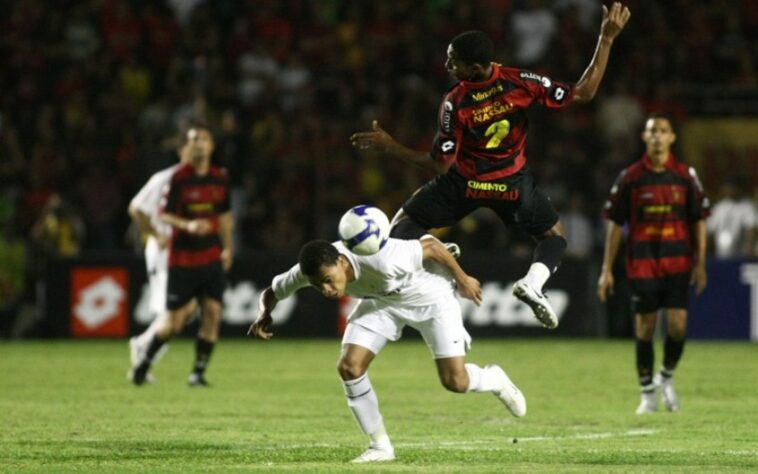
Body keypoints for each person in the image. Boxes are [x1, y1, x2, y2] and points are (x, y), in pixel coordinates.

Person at [350, 3, 631, 330]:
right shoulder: (520, 81)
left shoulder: (455, 101)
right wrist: (606, 38)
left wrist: (391, 147)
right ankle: (533, 283)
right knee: (554, 237)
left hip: (463, 184)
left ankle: (435, 256)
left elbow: (440, 165)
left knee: (402, 226)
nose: (447, 64)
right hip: (512, 184)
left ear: (475, 68)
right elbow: (583, 92)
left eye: (453, 61)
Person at [248, 235, 526, 463]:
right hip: (382, 304)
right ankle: (380, 447)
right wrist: (263, 314)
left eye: (328, 279)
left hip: (430, 298)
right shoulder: (309, 269)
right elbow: (271, 292)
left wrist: (463, 279)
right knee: (349, 366)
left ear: (342, 261)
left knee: (455, 381)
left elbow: (430, 246)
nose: (326, 289)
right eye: (318, 285)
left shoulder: (378, 255)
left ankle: (495, 379)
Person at [597, 113, 710, 414]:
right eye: (652, 131)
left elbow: (699, 220)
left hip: (677, 262)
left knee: (677, 326)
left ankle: (666, 378)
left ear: (672, 137)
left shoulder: (686, 176)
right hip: (643, 263)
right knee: (645, 329)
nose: (658, 135)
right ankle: (647, 393)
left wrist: (700, 264)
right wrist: (607, 269)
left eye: (663, 130)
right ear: (644, 137)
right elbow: (614, 223)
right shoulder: (631, 177)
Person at [131, 124, 234, 387]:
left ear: (211, 145)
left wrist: (228, 247)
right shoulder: (174, 178)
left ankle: (197, 374)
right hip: (178, 257)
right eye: (193, 140)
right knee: (174, 320)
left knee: (212, 311)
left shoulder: (220, 177)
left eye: (203, 139)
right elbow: (144, 210)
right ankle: (143, 355)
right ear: (182, 148)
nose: (198, 144)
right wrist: (161, 233)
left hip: (210, 256)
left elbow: (224, 216)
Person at [127, 139, 197, 383]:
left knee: (187, 308)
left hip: (187, 252)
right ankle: (143, 350)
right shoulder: (164, 178)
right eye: (191, 145)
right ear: (181, 150)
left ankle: (144, 345)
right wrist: (156, 234)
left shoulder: (201, 181)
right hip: (164, 251)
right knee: (176, 310)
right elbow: (136, 208)